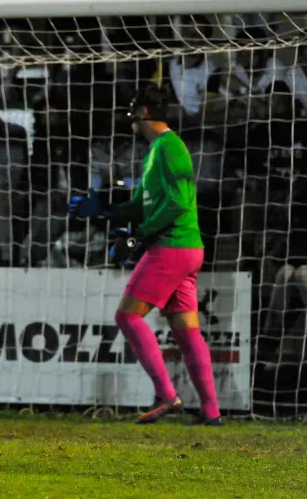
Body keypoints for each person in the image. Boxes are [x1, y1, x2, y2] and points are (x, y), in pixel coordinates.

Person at [69, 85, 221, 425]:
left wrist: (141, 235)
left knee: (128, 316)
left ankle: (167, 396)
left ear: (144, 114)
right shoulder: (156, 152)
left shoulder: (171, 147)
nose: (131, 122)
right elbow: (139, 206)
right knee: (186, 330)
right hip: (185, 248)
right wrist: (105, 209)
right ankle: (211, 411)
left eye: (133, 114)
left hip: (172, 245)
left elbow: (179, 202)